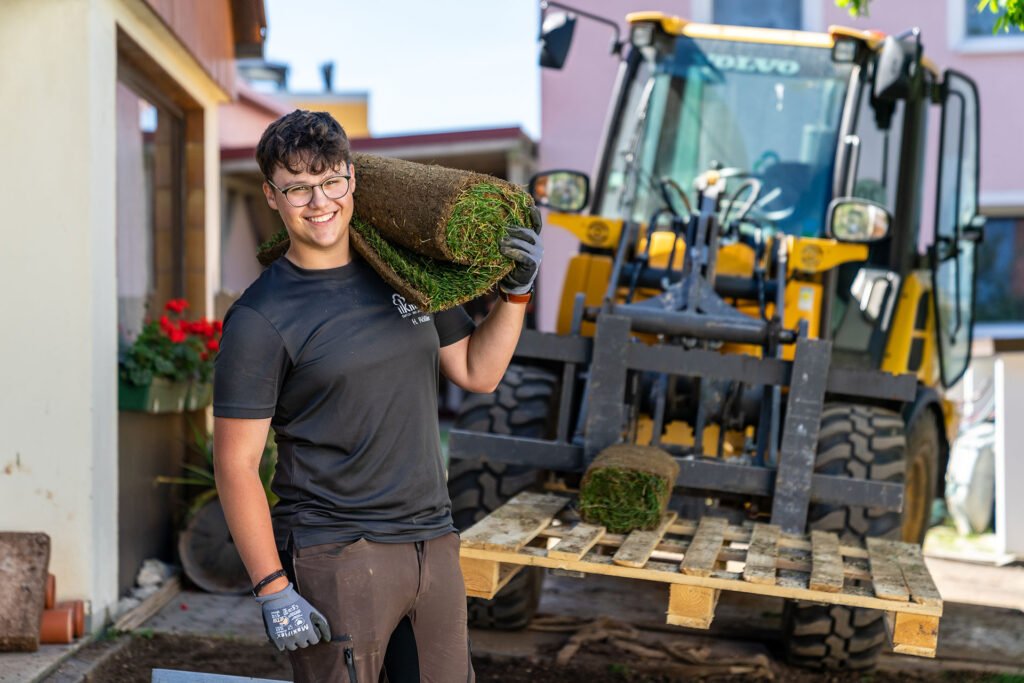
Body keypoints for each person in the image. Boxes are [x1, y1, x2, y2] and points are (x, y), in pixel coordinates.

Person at [213, 109, 543, 682]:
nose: (319, 202)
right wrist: (273, 588)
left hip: (433, 541)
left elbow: (475, 371)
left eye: (330, 182)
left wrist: (516, 296)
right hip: (337, 551)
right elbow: (236, 464)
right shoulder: (260, 318)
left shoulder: (403, 274)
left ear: (352, 179)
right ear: (272, 195)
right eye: (297, 188)